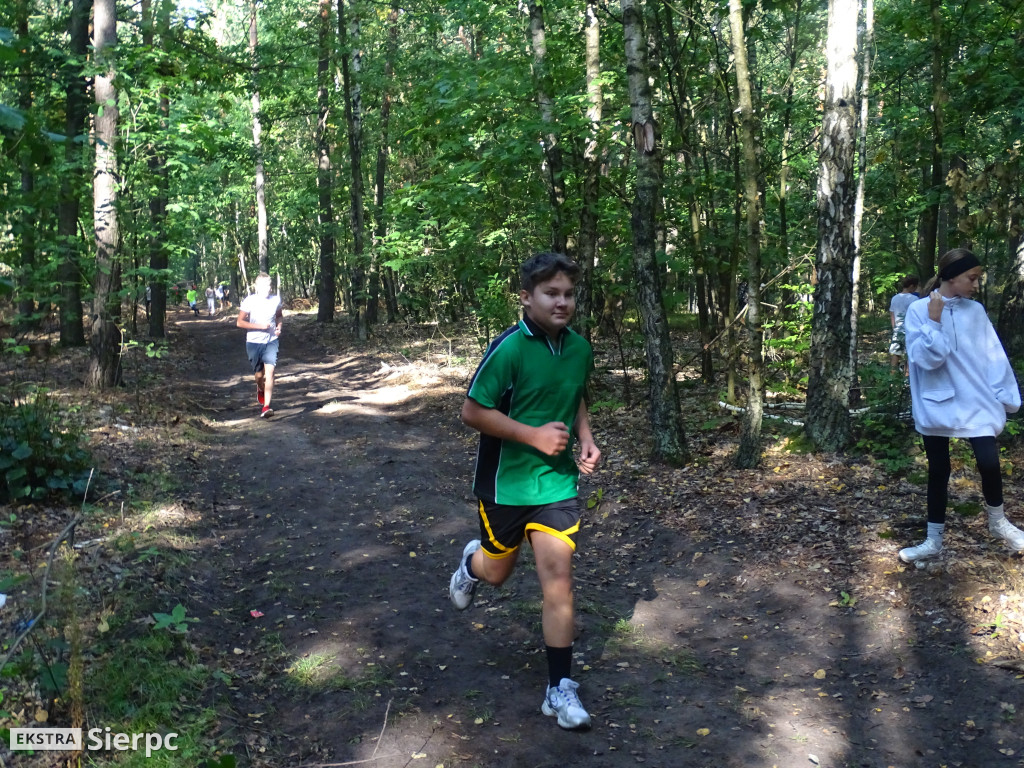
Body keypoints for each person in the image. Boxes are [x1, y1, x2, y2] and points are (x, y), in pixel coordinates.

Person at [448, 252, 601, 730]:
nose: (562, 302)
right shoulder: (509, 349)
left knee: (559, 579)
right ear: (526, 298)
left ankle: (559, 689)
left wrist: (587, 436)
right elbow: (473, 412)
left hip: (555, 483)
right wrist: (532, 435)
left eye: (568, 294)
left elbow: (574, 393)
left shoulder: (579, 347)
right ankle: (472, 565)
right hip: (506, 485)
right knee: (497, 572)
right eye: (551, 293)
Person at [899, 248, 1024, 563]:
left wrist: (1005, 395)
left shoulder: (976, 311)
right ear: (952, 276)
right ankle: (933, 540)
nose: (976, 284)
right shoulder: (918, 310)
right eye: (972, 277)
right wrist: (935, 320)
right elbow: (927, 358)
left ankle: (998, 523)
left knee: (989, 462)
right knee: (938, 469)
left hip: (976, 400)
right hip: (935, 401)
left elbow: (993, 354)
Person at [237, 273, 283, 419]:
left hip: (271, 341)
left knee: (270, 373)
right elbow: (239, 322)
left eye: (269, 286)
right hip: (253, 342)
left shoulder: (275, 300)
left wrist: (279, 327)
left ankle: (266, 406)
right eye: (263, 286)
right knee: (258, 375)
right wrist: (259, 326)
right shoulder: (249, 301)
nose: (267, 289)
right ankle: (260, 387)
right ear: (256, 287)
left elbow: (279, 316)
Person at [888, 275, 919, 372]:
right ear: (911, 286)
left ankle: (891, 377)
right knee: (909, 355)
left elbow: (892, 315)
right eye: (915, 287)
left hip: (898, 329)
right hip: (910, 330)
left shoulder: (894, 298)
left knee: (896, 354)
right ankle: (907, 377)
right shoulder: (914, 299)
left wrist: (895, 329)